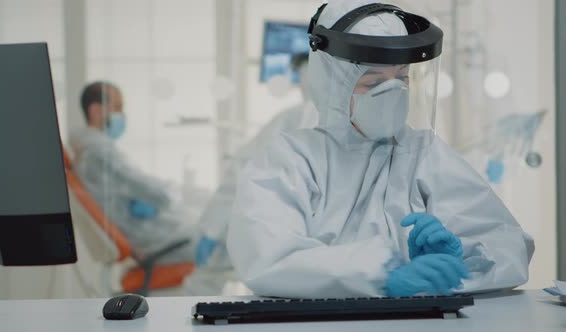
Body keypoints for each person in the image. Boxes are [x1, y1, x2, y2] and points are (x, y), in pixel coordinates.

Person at [227, 0, 534, 299]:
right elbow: (268, 257)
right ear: (333, 85)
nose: (393, 94)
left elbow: (507, 244)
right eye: (373, 83)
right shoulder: (290, 160)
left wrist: (462, 259)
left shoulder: (423, 154)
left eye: (402, 78)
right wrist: (381, 275)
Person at [182, 53, 319, 295]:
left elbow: (243, 169)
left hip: (287, 235)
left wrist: (212, 227)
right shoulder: (348, 122)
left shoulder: (294, 118)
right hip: (305, 238)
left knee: (208, 274)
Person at [70, 81, 198, 264]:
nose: (122, 116)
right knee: (223, 241)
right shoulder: (98, 154)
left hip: (152, 233)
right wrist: (173, 191)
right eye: (118, 108)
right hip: (153, 241)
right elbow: (159, 194)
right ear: (96, 111)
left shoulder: (91, 150)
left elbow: (136, 186)